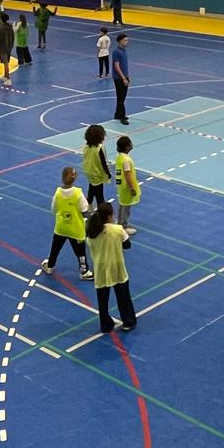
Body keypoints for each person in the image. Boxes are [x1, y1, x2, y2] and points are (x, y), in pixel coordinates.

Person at [87, 201, 136, 334]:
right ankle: (128, 321)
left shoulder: (92, 233)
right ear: (109, 216)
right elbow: (127, 245)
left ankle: (105, 324)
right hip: (117, 267)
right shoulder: (117, 230)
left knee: (102, 301)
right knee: (123, 297)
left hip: (100, 269)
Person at [44, 165, 93, 279]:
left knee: (55, 248)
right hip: (76, 229)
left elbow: (53, 209)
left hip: (61, 227)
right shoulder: (78, 193)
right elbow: (85, 211)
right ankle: (84, 271)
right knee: (80, 252)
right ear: (74, 178)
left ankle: (50, 266)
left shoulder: (58, 193)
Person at [81, 124, 112, 209]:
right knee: (99, 195)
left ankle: (88, 203)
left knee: (92, 187)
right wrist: (108, 173)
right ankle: (101, 211)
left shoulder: (86, 146)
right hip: (96, 173)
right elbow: (103, 163)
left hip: (88, 171)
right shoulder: (99, 148)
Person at [114, 134, 140, 232]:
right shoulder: (126, 160)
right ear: (127, 146)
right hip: (126, 187)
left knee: (122, 204)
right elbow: (127, 174)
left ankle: (120, 223)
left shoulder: (120, 157)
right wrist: (132, 188)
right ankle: (123, 226)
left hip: (121, 185)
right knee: (126, 206)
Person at [111, 33, 130, 123]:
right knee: (121, 97)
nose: (127, 42)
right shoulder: (116, 52)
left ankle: (117, 115)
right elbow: (116, 66)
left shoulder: (124, 50)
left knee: (122, 97)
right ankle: (122, 116)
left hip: (125, 76)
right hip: (119, 78)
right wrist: (123, 78)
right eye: (125, 40)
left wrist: (127, 76)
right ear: (120, 41)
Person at [0, 12, 15, 87]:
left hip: (3, 47)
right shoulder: (10, 27)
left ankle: (8, 79)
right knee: (6, 62)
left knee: (5, 63)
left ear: (1, 19)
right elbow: (13, 36)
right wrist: (11, 44)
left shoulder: (0, 28)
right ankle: (5, 76)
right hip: (9, 46)